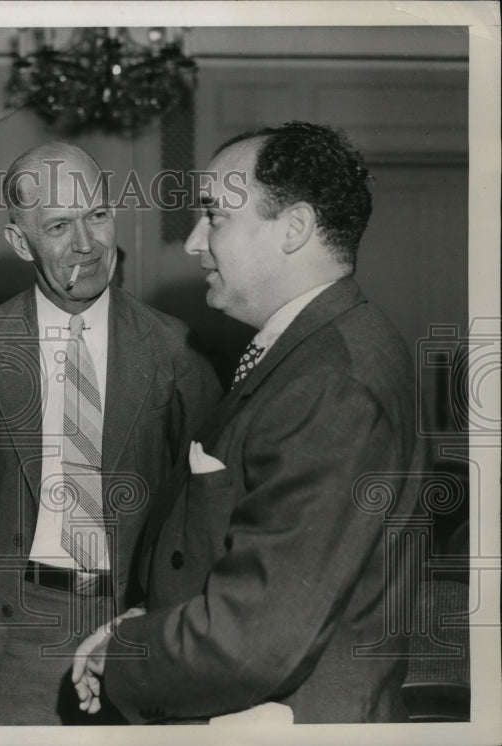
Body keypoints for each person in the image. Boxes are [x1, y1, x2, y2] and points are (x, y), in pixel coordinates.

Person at [72, 122, 422, 723]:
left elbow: (258, 639)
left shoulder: (331, 379)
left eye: (215, 216)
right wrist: (154, 619)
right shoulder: (311, 349)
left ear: (294, 229)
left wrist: (124, 653)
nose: (191, 241)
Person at [0, 142, 220, 725]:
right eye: (58, 225)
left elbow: (202, 512)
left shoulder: (179, 350)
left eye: (97, 215)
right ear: (20, 241)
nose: (87, 244)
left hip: (133, 628)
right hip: (7, 642)